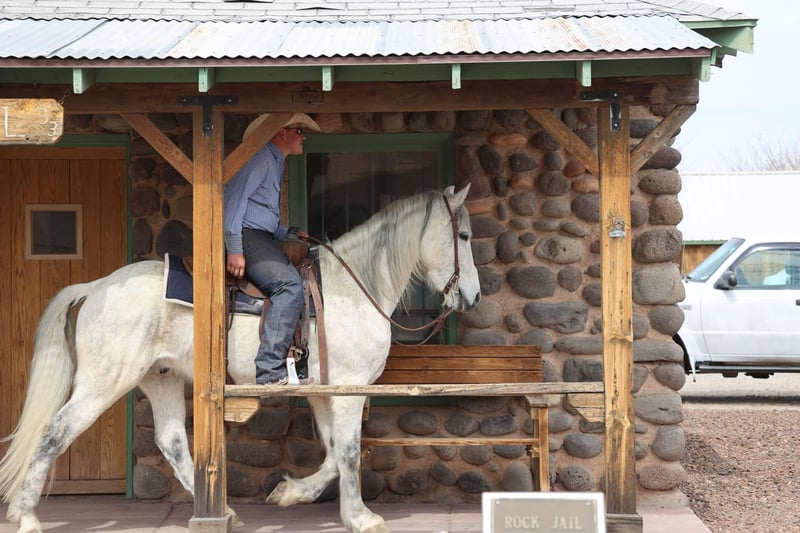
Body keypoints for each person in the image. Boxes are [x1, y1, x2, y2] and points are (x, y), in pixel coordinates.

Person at [224, 113, 321, 385]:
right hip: (247, 237)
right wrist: (234, 248)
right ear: (282, 132)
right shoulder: (263, 158)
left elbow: (259, 214)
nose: (304, 136)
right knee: (289, 286)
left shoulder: (276, 161)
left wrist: (286, 233)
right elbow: (233, 201)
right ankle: (269, 370)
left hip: (259, 235)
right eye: (299, 130)